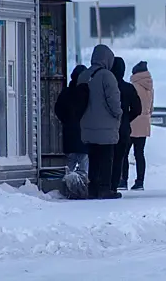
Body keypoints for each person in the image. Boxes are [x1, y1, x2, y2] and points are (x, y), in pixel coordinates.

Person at [77, 44, 123, 199]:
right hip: (106, 126)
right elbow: (114, 100)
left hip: (87, 125)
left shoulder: (83, 75)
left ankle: (93, 188)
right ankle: (105, 188)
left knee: (93, 158)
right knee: (106, 158)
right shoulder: (107, 76)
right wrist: (119, 114)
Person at [55, 65, 89, 199]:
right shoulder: (87, 93)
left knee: (69, 163)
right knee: (83, 164)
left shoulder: (66, 93)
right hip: (84, 133)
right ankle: (81, 189)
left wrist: (66, 121)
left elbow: (58, 109)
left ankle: (67, 188)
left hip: (69, 133)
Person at [110, 57, 142, 192]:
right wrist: (126, 118)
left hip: (107, 128)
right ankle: (114, 185)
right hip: (123, 128)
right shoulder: (129, 88)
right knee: (120, 157)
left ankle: (102, 184)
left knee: (105, 157)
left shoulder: (106, 87)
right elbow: (137, 109)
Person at [123, 61, 154, 191]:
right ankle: (139, 182)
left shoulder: (133, 86)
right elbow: (151, 108)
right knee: (139, 154)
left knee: (124, 153)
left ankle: (123, 180)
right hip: (145, 123)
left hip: (132, 122)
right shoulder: (150, 87)